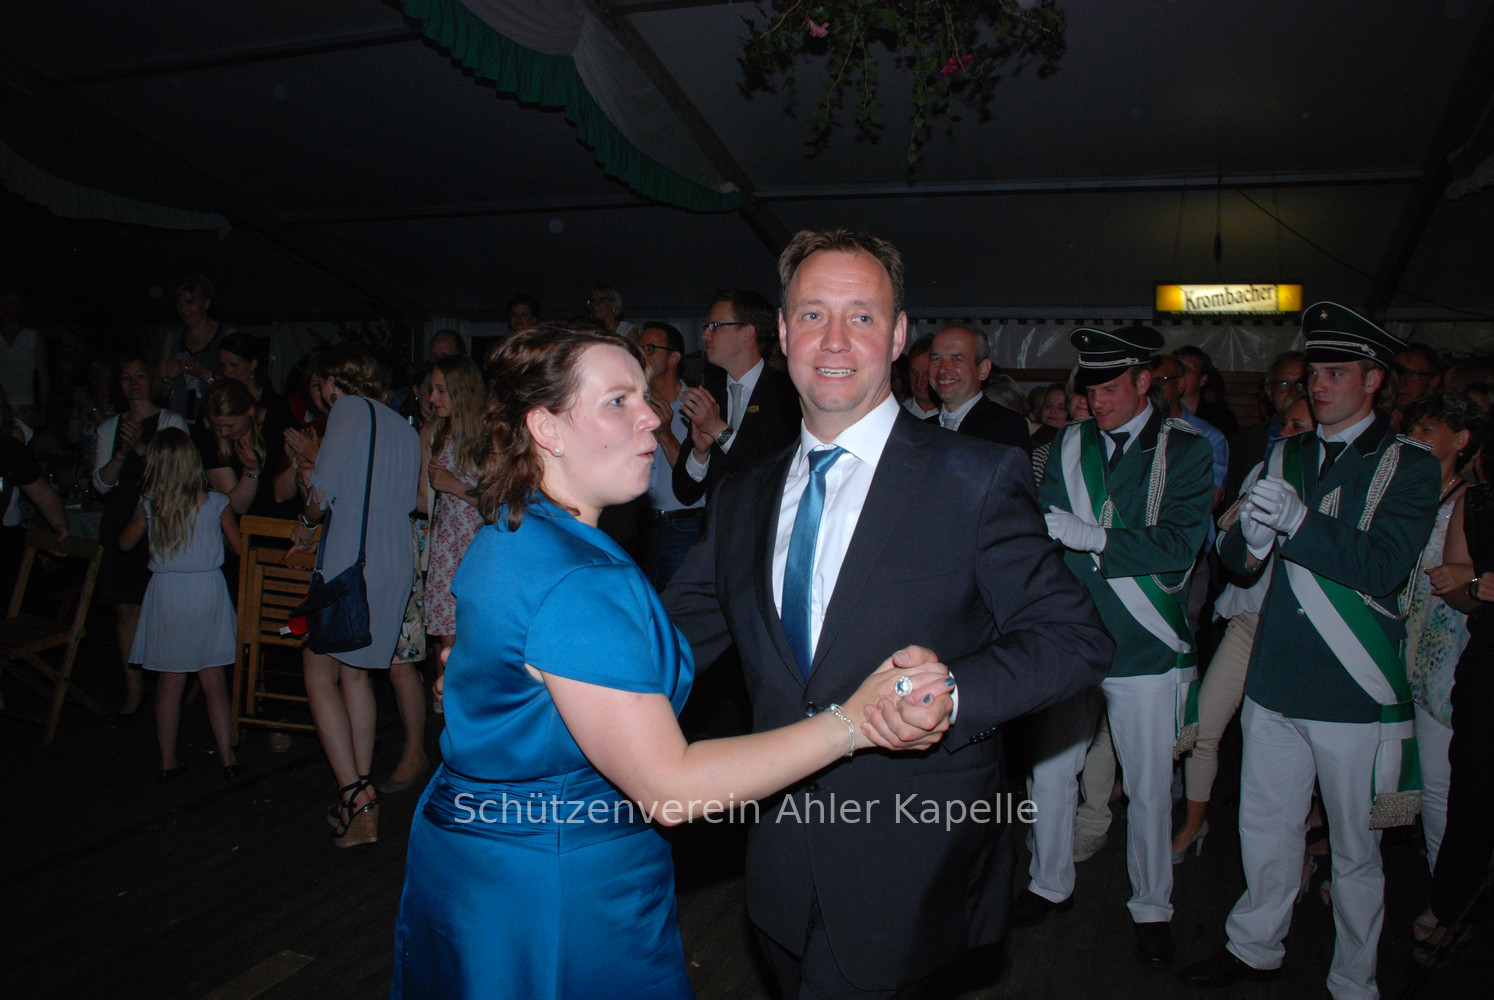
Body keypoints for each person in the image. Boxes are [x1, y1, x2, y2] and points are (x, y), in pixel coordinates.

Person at [389, 324, 951, 999]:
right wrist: (853, 721)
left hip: (479, 857)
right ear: (546, 428)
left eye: (643, 396)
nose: (652, 417)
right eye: (618, 401)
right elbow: (673, 791)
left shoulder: (509, 531)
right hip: (558, 885)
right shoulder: (579, 579)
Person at [664, 228, 1112, 997]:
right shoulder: (743, 495)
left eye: (862, 316)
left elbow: (1076, 639)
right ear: (783, 334)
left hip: (912, 862)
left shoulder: (975, 477)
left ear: (899, 336)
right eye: (813, 315)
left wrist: (953, 693)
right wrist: (536, 665)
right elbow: (666, 638)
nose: (835, 340)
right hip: (778, 867)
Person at [1183, 302, 1441, 997]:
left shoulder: (1409, 465)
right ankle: (1254, 945)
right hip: (1275, 676)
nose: (1316, 387)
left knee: (1355, 850)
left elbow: (1383, 567)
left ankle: (1354, 978)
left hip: (1350, 685)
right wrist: (1248, 542)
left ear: (1374, 380)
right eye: (1313, 375)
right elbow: (1238, 562)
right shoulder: (1284, 452)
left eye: (1334, 373)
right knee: (1265, 827)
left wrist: (1300, 523)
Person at [1022, 327, 1214, 967]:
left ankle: (1152, 907)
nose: (1096, 402)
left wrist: (1098, 538)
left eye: (1109, 389)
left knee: (1149, 785)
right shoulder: (1068, 443)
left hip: (1142, 641)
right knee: (1051, 772)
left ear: (1144, 383)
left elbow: (1181, 544)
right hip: (1072, 636)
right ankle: (1048, 883)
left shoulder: (1185, 449)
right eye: (1090, 389)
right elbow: (1045, 527)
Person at [288, 344, 421, 848]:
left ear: (333, 379)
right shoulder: (403, 427)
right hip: (395, 559)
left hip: (352, 559)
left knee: (318, 670)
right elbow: (408, 498)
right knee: (356, 673)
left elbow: (323, 493)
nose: (319, 394)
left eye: (320, 383)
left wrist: (305, 526)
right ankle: (362, 787)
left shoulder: (347, 410)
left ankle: (354, 794)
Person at [1171, 396, 1315, 862]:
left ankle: (1298, 852)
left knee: (1293, 751)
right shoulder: (1264, 471)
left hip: (1304, 637)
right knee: (1202, 727)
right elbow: (1230, 549)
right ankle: (1194, 824)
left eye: (1297, 426)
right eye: (1283, 424)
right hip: (1250, 623)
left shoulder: (1333, 483)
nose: (1284, 433)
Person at [1413, 401, 1490, 965]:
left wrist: (1472, 579)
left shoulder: (1470, 496)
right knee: (1428, 782)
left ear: (1462, 440)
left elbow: (1467, 591)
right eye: (1412, 427)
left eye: (1428, 429)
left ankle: (1451, 905)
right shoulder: (1416, 491)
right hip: (1415, 643)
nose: (1415, 436)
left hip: (1453, 646)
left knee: (1446, 786)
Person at [119, 428, 241, 781]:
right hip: (208, 592)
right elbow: (237, 545)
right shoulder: (215, 502)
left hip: (168, 595)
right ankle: (228, 758)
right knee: (213, 680)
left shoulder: (151, 503)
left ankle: (168, 762)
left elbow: (125, 544)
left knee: (170, 683)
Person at [92, 355, 190, 717]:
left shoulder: (171, 422)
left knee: (161, 607)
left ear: (151, 379)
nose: (134, 383)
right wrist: (121, 453)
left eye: (140, 376)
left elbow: (179, 473)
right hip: (121, 517)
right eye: (126, 377)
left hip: (160, 519)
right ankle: (134, 689)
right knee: (125, 609)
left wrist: (141, 449)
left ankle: (168, 685)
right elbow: (101, 484)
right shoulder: (110, 426)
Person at [671, 289, 800, 508]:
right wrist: (700, 453)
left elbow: (771, 474)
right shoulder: (710, 395)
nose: (704, 335)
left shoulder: (787, 394)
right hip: (716, 526)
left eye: (714, 326)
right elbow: (685, 493)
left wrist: (719, 431)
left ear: (747, 333)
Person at [422, 355, 486, 699]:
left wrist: (454, 485)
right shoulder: (438, 433)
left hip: (477, 552)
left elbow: (500, 505)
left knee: (477, 650)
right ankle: (451, 720)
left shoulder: (487, 438)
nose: (432, 397)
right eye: (432, 390)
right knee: (448, 656)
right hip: (446, 553)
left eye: (441, 390)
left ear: (462, 391)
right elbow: (423, 501)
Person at [637, 321, 705, 591]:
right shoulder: (634, 405)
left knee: (678, 603)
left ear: (674, 357)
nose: (642, 355)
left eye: (650, 349)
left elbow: (693, 479)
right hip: (640, 523)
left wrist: (665, 435)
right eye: (639, 349)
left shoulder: (697, 405)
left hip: (683, 525)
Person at [927, 325, 1031, 453]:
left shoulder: (1006, 426)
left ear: (983, 370)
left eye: (956, 359)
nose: (943, 369)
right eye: (936, 359)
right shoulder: (921, 429)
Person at [160, 275, 234, 419]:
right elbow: (160, 390)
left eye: (189, 302)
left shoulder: (226, 335)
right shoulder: (174, 336)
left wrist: (205, 374)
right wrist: (170, 379)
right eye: (180, 303)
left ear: (206, 302)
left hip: (215, 418)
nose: (184, 309)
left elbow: (237, 386)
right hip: (179, 418)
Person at [0, 288, 49, 431]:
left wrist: (43, 408)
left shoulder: (32, 337)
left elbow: (43, 376)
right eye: (2, 305)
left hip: (24, 405)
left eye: (10, 304)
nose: (7, 309)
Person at [901, 335, 940, 421]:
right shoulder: (899, 413)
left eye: (926, 373)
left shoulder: (952, 416)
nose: (919, 381)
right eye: (914, 373)